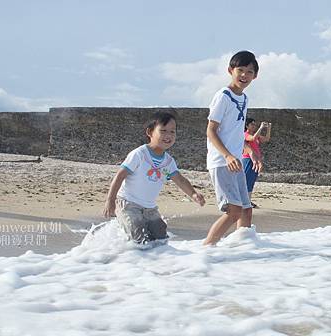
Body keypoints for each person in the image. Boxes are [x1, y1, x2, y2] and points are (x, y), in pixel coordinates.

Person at [103, 112, 205, 244]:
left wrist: (193, 194)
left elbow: (180, 179)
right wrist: (110, 200)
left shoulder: (168, 161)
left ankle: (155, 263)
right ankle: (124, 256)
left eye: (172, 132)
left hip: (150, 208)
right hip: (128, 204)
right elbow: (120, 175)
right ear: (150, 132)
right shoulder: (140, 154)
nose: (168, 135)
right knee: (138, 236)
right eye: (163, 131)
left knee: (161, 238)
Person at [203, 50, 261, 246]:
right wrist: (227, 156)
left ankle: (242, 250)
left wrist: (250, 150)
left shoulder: (244, 99)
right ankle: (206, 250)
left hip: (235, 161)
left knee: (246, 209)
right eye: (240, 70)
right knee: (234, 211)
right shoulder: (223, 96)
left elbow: (235, 132)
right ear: (230, 70)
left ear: (255, 75)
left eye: (249, 72)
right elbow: (211, 131)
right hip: (222, 162)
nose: (244, 75)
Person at [242, 117, 271, 208]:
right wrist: (261, 128)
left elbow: (266, 139)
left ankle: (248, 201)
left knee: (251, 181)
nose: (254, 126)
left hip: (256, 161)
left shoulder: (256, 135)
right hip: (247, 160)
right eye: (252, 124)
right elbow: (252, 138)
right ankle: (244, 201)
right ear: (247, 126)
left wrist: (268, 128)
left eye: (255, 124)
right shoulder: (245, 134)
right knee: (246, 180)